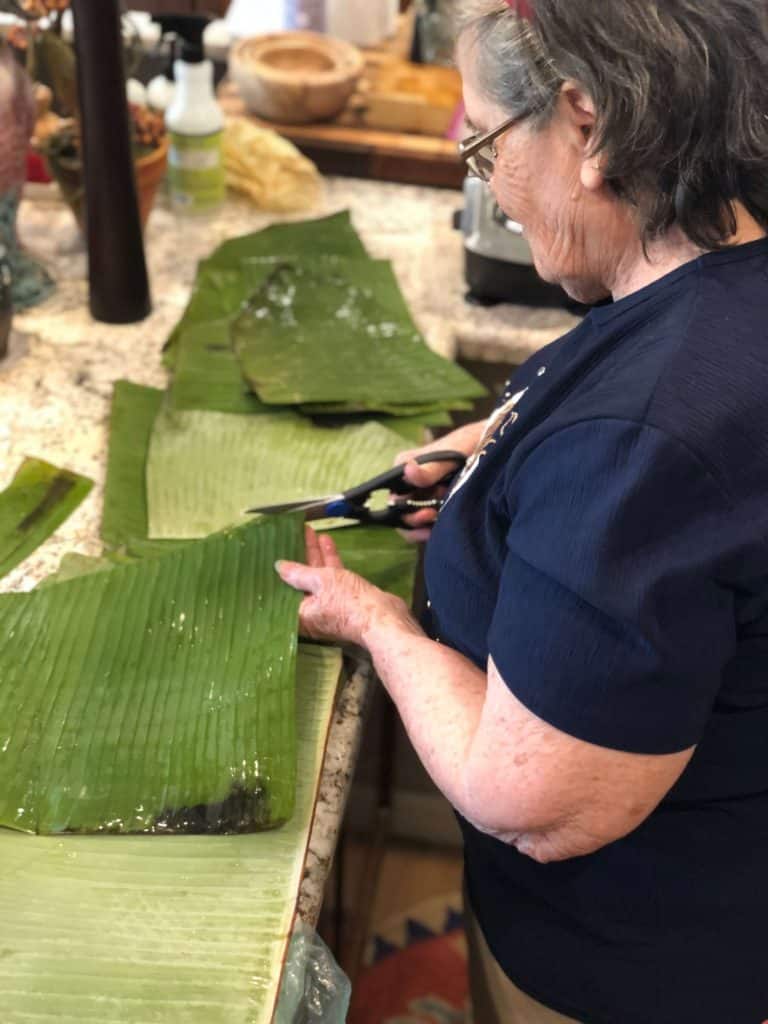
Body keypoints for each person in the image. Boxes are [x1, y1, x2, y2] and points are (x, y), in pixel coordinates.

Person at [277, 1, 768, 1021]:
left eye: (487, 142)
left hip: (632, 964)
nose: (485, 179)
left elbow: (533, 805)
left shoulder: (641, 447)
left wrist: (376, 623)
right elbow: (643, 372)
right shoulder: (725, 265)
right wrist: (492, 449)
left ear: (585, 126)